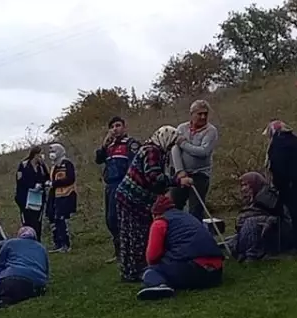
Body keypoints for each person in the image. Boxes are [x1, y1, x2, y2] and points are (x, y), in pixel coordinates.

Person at [114, 126, 192, 282]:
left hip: (131, 198)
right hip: (132, 199)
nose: (171, 148)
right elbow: (154, 177)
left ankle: (131, 270)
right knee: (136, 234)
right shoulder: (152, 151)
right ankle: (135, 271)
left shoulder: (153, 150)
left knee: (132, 235)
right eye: (171, 144)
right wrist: (178, 181)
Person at [137, 194, 224, 300]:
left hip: (194, 269)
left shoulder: (160, 222)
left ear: (155, 214)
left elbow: (152, 256)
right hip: (216, 272)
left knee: (150, 271)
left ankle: (159, 285)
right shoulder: (188, 217)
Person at [264, 120, 297, 254]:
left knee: (295, 216)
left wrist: (279, 187)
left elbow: (277, 168)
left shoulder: (278, 145)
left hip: (291, 187)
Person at [0, 226, 50, 310]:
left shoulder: (10, 243)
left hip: (11, 279)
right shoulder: (42, 248)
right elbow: (46, 272)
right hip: (35, 285)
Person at [95, 116, 140, 263]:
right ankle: (118, 250)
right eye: (113, 126)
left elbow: (134, 166)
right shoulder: (109, 146)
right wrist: (103, 144)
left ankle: (128, 251)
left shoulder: (131, 144)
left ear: (124, 127)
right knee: (110, 220)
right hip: (110, 185)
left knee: (121, 218)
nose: (115, 129)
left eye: (118, 125)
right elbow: (98, 159)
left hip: (123, 184)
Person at [226, 172, 292, 261]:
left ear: (255, 184)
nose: (243, 189)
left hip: (274, 235)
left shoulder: (268, 199)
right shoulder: (252, 201)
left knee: (250, 223)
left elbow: (280, 219)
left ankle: (252, 255)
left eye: (246, 185)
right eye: (242, 186)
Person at [171, 99, 220, 220]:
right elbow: (174, 149)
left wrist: (184, 144)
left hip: (200, 175)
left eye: (205, 114)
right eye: (199, 114)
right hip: (181, 175)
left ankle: (195, 236)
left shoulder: (211, 131)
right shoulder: (181, 128)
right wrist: (180, 171)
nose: (203, 117)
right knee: (174, 206)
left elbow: (203, 152)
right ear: (191, 114)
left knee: (195, 210)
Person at [46, 143, 78, 253]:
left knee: (61, 219)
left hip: (67, 194)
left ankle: (66, 244)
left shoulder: (67, 163)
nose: (52, 154)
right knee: (53, 218)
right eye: (51, 152)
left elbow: (71, 179)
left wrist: (55, 183)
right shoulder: (54, 166)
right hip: (55, 195)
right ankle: (57, 243)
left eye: (54, 151)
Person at [14, 147, 49, 239]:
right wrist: (32, 185)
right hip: (25, 199)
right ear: (35, 154)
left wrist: (43, 184)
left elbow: (47, 178)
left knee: (38, 222)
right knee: (28, 222)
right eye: (40, 154)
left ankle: (37, 241)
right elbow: (20, 180)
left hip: (38, 199)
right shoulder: (24, 165)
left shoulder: (42, 166)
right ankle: (27, 241)